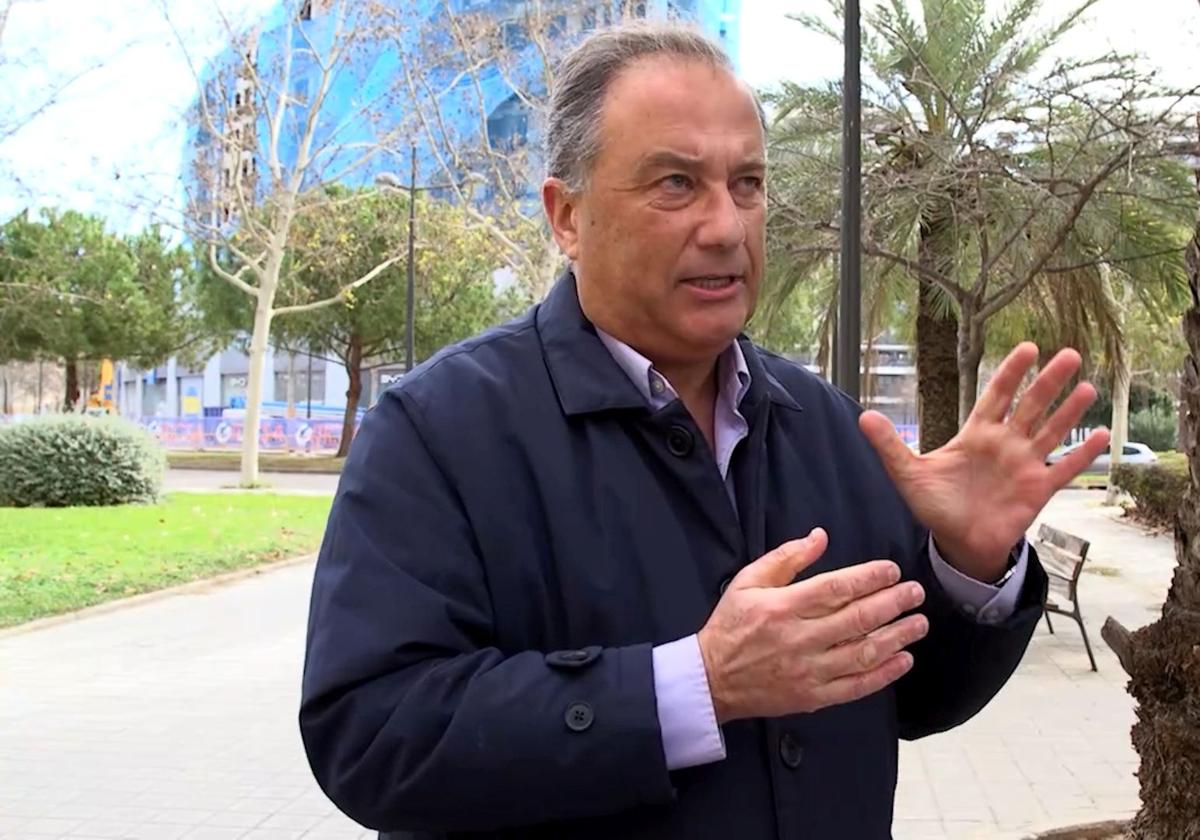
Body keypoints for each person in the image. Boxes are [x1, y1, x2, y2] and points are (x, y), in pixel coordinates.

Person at [299, 23, 1109, 840]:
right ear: (567, 216)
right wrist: (698, 686)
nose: (727, 226)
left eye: (747, 183)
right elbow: (371, 734)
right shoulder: (437, 432)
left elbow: (917, 696)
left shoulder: (825, 422)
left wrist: (970, 567)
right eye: (676, 184)